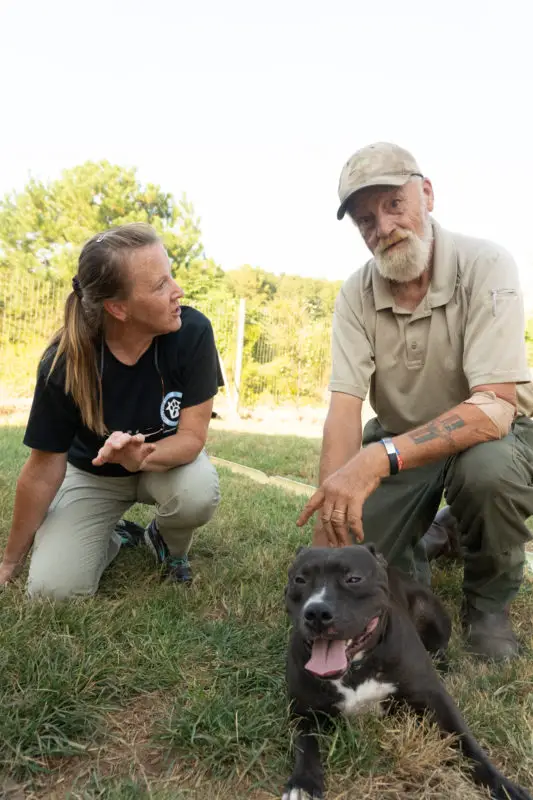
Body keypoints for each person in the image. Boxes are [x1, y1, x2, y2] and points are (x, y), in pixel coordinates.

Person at [298, 142, 533, 661]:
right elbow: (343, 408)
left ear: (425, 194)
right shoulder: (354, 294)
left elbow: (494, 406)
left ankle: (488, 606)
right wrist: (323, 552)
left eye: (393, 205)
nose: (382, 227)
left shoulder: (487, 263)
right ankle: (436, 530)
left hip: (497, 434)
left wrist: (378, 458)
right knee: (361, 561)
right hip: (404, 436)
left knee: (487, 472)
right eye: (365, 220)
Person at [0, 223, 221, 599]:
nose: (177, 292)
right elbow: (42, 471)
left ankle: (165, 542)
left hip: (164, 467)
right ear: (118, 308)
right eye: (160, 285)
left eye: (171, 278)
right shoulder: (63, 363)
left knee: (197, 490)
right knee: (52, 591)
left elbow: (191, 438)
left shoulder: (193, 332)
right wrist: (8, 562)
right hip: (92, 475)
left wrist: (143, 456)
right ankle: (112, 535)